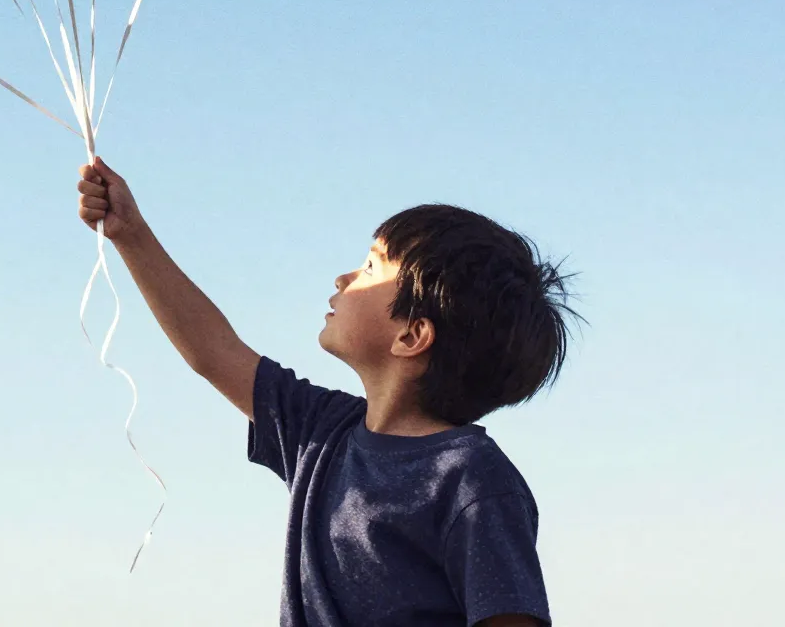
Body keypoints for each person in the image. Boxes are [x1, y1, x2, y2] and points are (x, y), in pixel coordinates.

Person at [77, 158, 575, 627]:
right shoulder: (322, 431)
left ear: (411, 336)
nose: (343, 278)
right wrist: (131, 234)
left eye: (372, 268)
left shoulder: (474, 478)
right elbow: (214, 351)